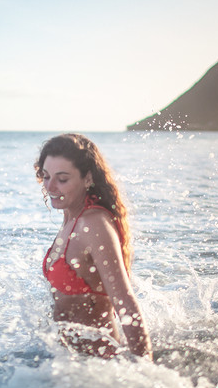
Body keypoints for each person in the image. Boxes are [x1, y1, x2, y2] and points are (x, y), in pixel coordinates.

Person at [35, 133, 153, 359]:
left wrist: (146, 370)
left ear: (87, 179)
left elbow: (125, 302)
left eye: (62, 179)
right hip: (67, 360)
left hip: (99, 364)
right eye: (46, 176)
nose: (50, 187)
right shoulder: (71, 215)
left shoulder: (93, 223)